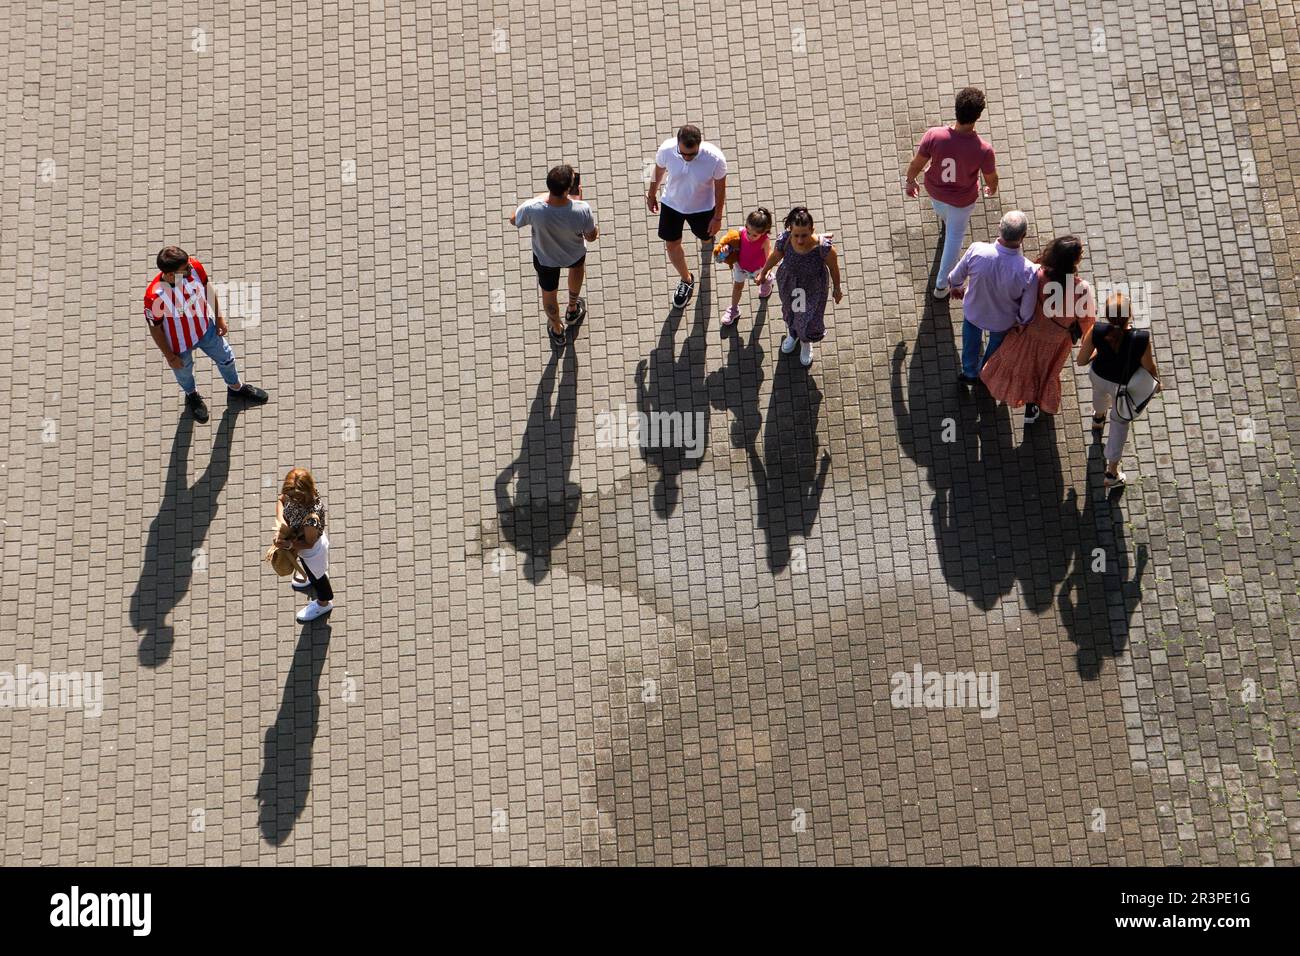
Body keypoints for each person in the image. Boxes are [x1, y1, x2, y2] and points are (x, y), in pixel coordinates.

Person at [144, 246, 269, 422]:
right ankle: (192, 395)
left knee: (226, 357)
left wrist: (219, 318)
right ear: (170, 275)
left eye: (188, 265)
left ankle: (236, 388)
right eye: (184, 269)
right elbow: (155, 329)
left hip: (205, 330)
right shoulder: (154, 297)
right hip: (178, 344)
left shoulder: (193, 267)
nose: (190, 269)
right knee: (184, 372)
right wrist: (170, 356)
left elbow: (208, 289)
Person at [981, 235, 1095, 425]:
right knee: (1044, 373)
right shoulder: (1081, 289)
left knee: (1020, 367)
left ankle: (1014, 395)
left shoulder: (1038, 274)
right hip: (1056, 343)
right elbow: (1087, 322)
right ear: (1074, 260)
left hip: (1027, 334)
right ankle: (1033, 405)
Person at [903, 87, 998, 299]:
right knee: (953, 241)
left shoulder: (934, 135)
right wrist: (992, 188)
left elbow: (917, 163)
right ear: (978, 116)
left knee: (944, 214)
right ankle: (941, 285)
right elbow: (991, 177)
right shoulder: (983, 149)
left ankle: (946, 220)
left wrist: (910, 181)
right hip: (963, 201)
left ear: (956, 109)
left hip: (936, 192)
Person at [1076, 292, 1162, 489]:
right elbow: (1149, 366)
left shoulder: (1096, 330)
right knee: (1120, 422)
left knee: (1099, 394)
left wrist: (1097, 350)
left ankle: (1098, 418)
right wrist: (1157, 382)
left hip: (1098, 376)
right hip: (1123, 386)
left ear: (1106, 315)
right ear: (1130, 315)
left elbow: (1081, 361)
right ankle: (1112, 472)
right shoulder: (1140, 338)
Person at [511, 164, 599, 348]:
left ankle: (557, 329)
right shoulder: (582, 208)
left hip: (545, 258)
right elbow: (591, 237)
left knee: (548, 293)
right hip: (574, 254)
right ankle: (572, 309)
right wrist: (577, 201)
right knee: (576, 271)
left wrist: (540, 198)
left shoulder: (533, 208)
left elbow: (514, 219)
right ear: (568, 189)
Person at [947, 210, 1036, 385]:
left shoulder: (977, 250)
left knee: (970, 342)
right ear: (1023, 236)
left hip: (974, 312)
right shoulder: (1029, 271)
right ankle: (986, 372)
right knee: (995, 347)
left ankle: (969, 371)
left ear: (999, 228)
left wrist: (956, 287)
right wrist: (1020, 321)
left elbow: (955, 277)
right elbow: (1027, 310)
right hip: (1003, 322)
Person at [646, 124, 728, 309]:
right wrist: (652, 194)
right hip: (672, 204)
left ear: (700, 145)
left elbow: (721, 190)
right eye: (683, 154)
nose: (687, 158)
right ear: (678, 144)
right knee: (671, 244)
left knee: (706, 237)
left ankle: (707, 240)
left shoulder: (715, 159)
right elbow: (658, 171)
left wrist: (717, 218)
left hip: (702, 208)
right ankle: (686, 279)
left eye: (692, 154)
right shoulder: (667, 149)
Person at [756, 207, 843, 368]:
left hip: (812, 289)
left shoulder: (824, 248)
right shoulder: (786, 240)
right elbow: (776, 255)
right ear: (790, 230)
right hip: (789, 283)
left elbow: (834, 268)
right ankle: (793, 334)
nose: (800, 240)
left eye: (805, 235)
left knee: (808, 318)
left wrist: (837, 289)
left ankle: (805, 341)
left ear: (812, 229)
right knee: (790, 312)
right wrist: (764, 272)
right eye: (796, 235)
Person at [273, 467, 335, 623]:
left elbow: (309, 543)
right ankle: (312, 576)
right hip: (303, 547)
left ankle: (323, 603)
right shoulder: (298, 494)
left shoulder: (311, 520)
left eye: (294, 498)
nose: (290, 499)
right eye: (290, 496)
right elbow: (281, 500)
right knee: (311, 570)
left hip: (313, 551)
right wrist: (282, 522)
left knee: (318, 578)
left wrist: (287, 545)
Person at [715, 206, 774, 327]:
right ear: (746, 226)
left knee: (765, 279)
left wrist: (765, 273)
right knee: (737, 287)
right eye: (748, 232)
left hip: (758, 270)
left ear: (763, 232)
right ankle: (734, 309)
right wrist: (727, 248)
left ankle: (768, 281)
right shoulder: (740, 233)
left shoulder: (765, 241)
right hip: (740, 267)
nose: (750, 237)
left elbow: (770, 259)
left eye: (754, 235)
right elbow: (731, 244)